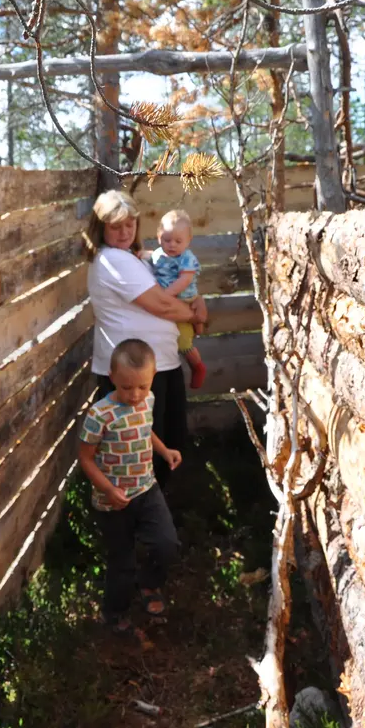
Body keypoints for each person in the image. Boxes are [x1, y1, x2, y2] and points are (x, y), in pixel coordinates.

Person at [83, 190, 208, 491]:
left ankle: (159, 518)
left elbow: (169, 277)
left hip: (156, 367)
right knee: (139, 457)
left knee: (165, 446)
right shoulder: (113, 259)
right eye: (116, 226)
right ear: (100, 228)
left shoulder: (131, 258)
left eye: (130, 224)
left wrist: (197, 299)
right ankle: (141, 523)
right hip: (130, 373)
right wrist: (195, 314)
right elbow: (161, 305)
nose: (125, 232)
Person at [78, 339, 182, 630]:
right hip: (112, 502)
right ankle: (115, 614)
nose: (135, 395)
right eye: (126, 387)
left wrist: (165, 451)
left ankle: (149, 584)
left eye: (142, 386)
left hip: (147, 489)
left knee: (166, 544)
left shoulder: (148, 400)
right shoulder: (99, 415)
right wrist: (109, 490)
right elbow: (85, 459)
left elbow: (145, 430)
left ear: (153, 378)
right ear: (112, 378)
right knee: (121, 561)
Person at [143, 209, 207, 389]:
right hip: (171, 299)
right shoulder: (159, 254)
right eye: (166, 240)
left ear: (188, 241)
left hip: (184, 298)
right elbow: (150, 256)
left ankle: (198, 366)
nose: (172, 245)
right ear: (158, 237)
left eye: (178, 241)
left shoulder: (186, 258)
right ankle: (198, 326)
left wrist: (165, 295)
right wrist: (140, 254)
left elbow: (184, 280)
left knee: (184, 342)